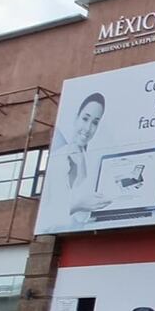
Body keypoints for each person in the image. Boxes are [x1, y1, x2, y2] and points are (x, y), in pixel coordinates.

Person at [51, 93, 112, 226]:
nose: (88, 128)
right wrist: (78, 206)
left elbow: (81, 217)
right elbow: (48, 216)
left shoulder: (90, 162)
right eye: (85, 119)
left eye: (95, 122)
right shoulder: (57, 159)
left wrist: (82, 174)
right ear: (76, 118)